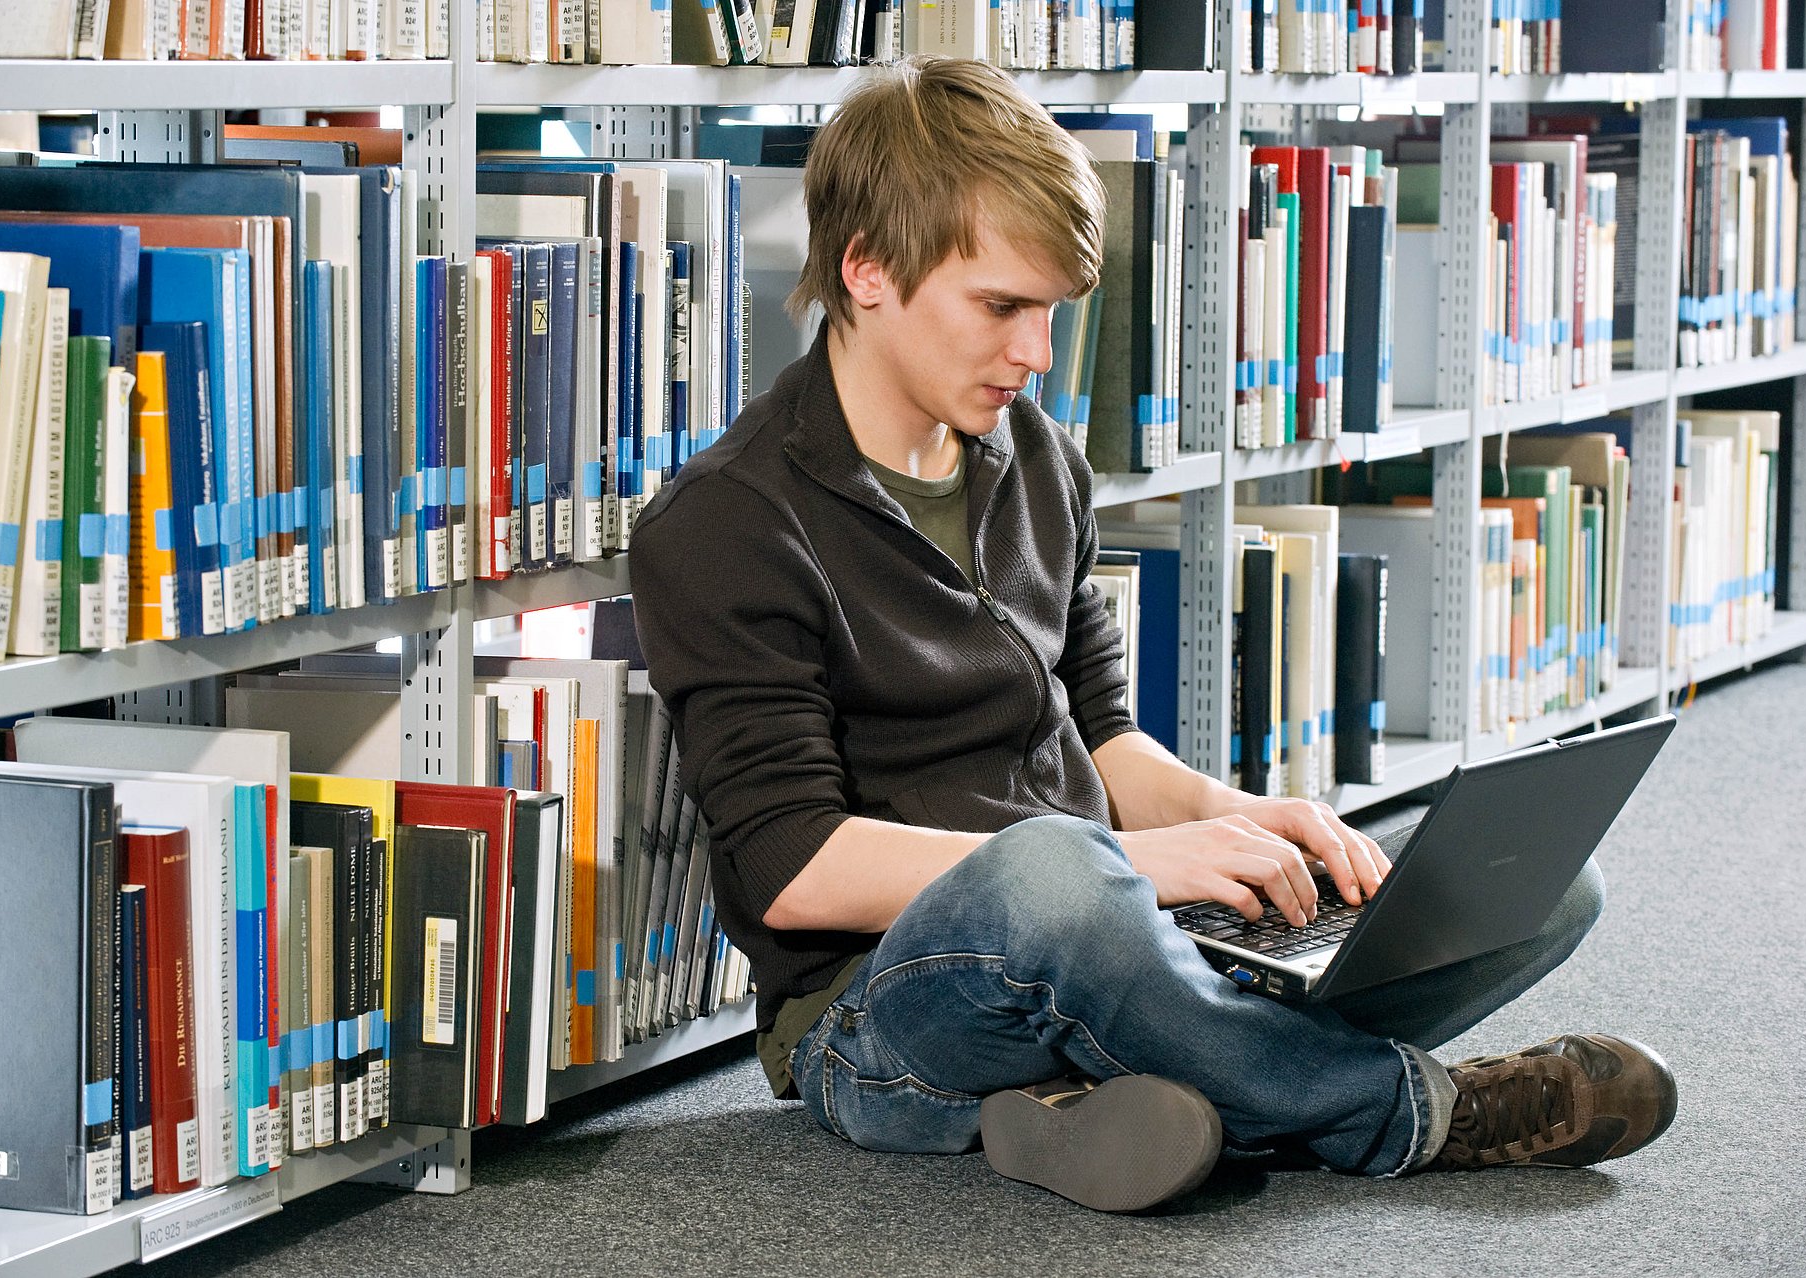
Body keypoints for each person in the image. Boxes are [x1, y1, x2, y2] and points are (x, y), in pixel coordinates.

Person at [627, 55, 1676, 1212]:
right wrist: (1124, 867)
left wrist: (1237, 820)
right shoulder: (724, 522)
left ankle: (1147, 1091)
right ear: (866, 271)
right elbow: (793, 868)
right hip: (881, 1009)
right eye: (1001, 307)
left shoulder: (1037, 460)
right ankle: (1417, 1111)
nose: (1035, 354)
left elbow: (1103, 738)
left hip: (1115, 932)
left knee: (1542, 886)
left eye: (1051, 313)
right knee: (1055, 876)